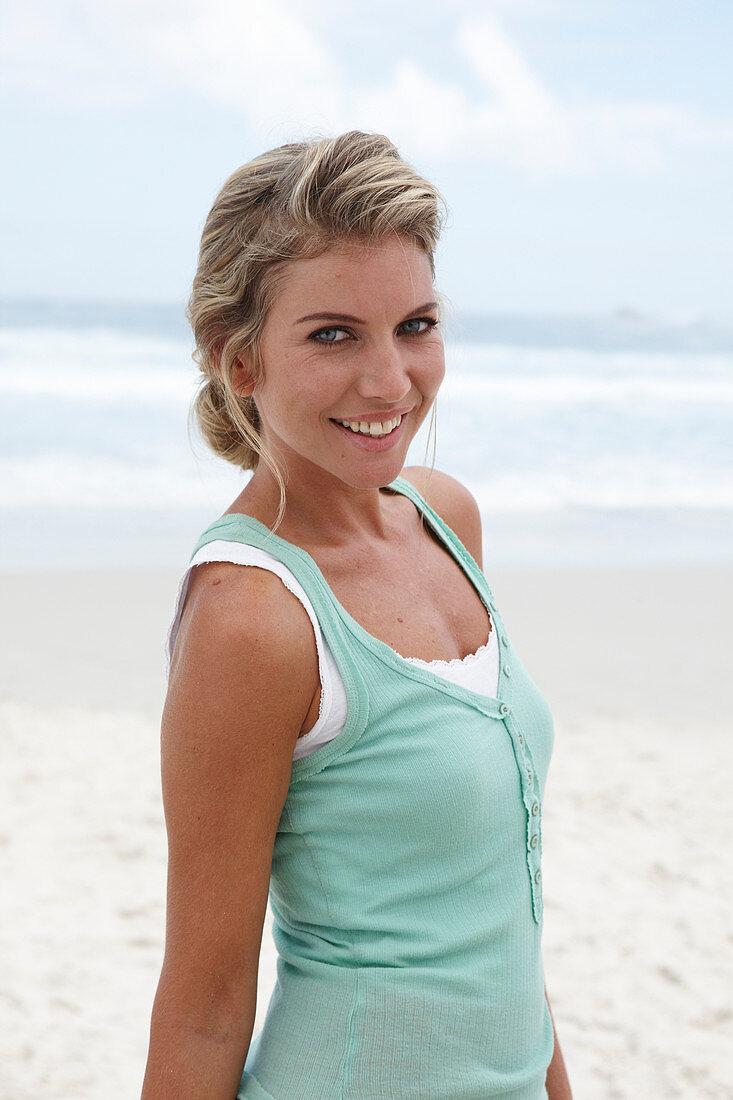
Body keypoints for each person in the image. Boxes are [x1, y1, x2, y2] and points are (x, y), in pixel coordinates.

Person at [141, 130, 572, 1099]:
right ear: (238, 360)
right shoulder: (250, 617)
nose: (390, 380)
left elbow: (496, 917)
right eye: (333, 333)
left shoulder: (444, 518)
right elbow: (205, 1001)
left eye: (413, 325)